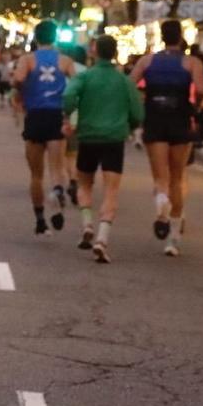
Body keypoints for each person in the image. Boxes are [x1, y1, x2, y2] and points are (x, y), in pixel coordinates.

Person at [131, 19, 203, 258]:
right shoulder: (191, 62)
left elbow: (129, 84)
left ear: (162, 37)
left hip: (155, 117)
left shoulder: (147, 60)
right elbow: (202, 89)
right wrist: (194, 106)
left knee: (160, 177)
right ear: (181, 37)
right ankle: (173, 238)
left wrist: (142, 101)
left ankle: (162, 213)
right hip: (180, 119)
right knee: (177, 176)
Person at [63, 34, 143, 264]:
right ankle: (102, 238)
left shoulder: (85, 77)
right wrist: (129, 126)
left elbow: (68, 95)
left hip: (88, 136)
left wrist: (70, 115)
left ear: (94, 51)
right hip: (114, 138)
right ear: (115, 52)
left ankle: (87, 223)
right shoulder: (124, 81)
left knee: (85, 183)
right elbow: (137, 113)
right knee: (111, 191)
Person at [13, 21, 76, 235]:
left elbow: (18, 79)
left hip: (35, 115)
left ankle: (40, 219)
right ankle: (58, 190)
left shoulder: (28, 60)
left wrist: (25, 93)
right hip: (56, 115)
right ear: (54, 37)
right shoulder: (65, 61)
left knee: (36, 173)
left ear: (36, 37)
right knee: (57, 166)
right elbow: (76, 85)